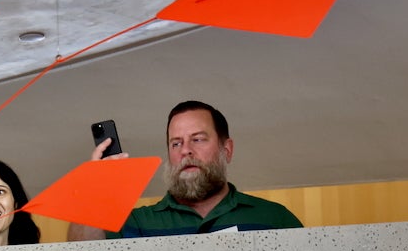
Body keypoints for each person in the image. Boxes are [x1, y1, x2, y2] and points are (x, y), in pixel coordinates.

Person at [67, 100, 302, 240]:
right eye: (175, 143)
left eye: (198, 140)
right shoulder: (136, 223)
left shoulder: (274, 218)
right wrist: (93, 189)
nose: (185, 151)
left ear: (226, 149)